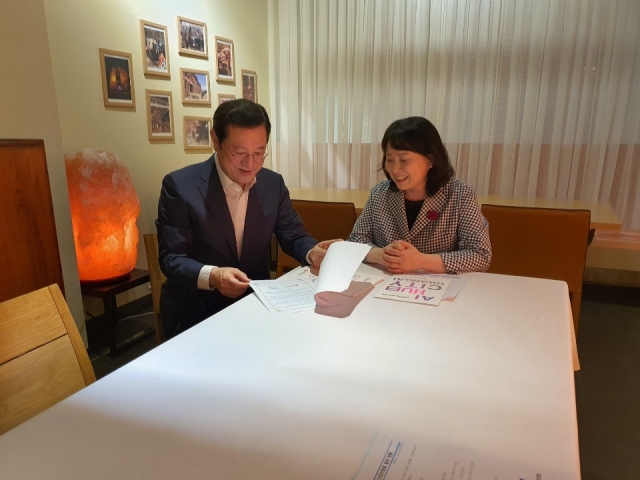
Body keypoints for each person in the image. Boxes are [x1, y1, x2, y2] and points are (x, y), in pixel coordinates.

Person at [157, 99, 336, 338]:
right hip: (197, 311)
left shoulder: (272, 184)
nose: (250, 164)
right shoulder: (181, 187)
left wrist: (312, 252)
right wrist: (214, 276)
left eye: (259, 153)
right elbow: (172, 258)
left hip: (255, 305)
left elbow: (293, 235)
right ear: (215, 140)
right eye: (239, 153)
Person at [347, 116, 491, 274]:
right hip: (388, 283)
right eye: (389, 159)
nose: (395, 169)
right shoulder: (380, 194)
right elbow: (355, 240)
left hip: (439, 286)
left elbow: (480, 255)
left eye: (404, 160)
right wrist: (382, 255)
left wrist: (421, 261)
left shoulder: (460, 195)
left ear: (430, 159)